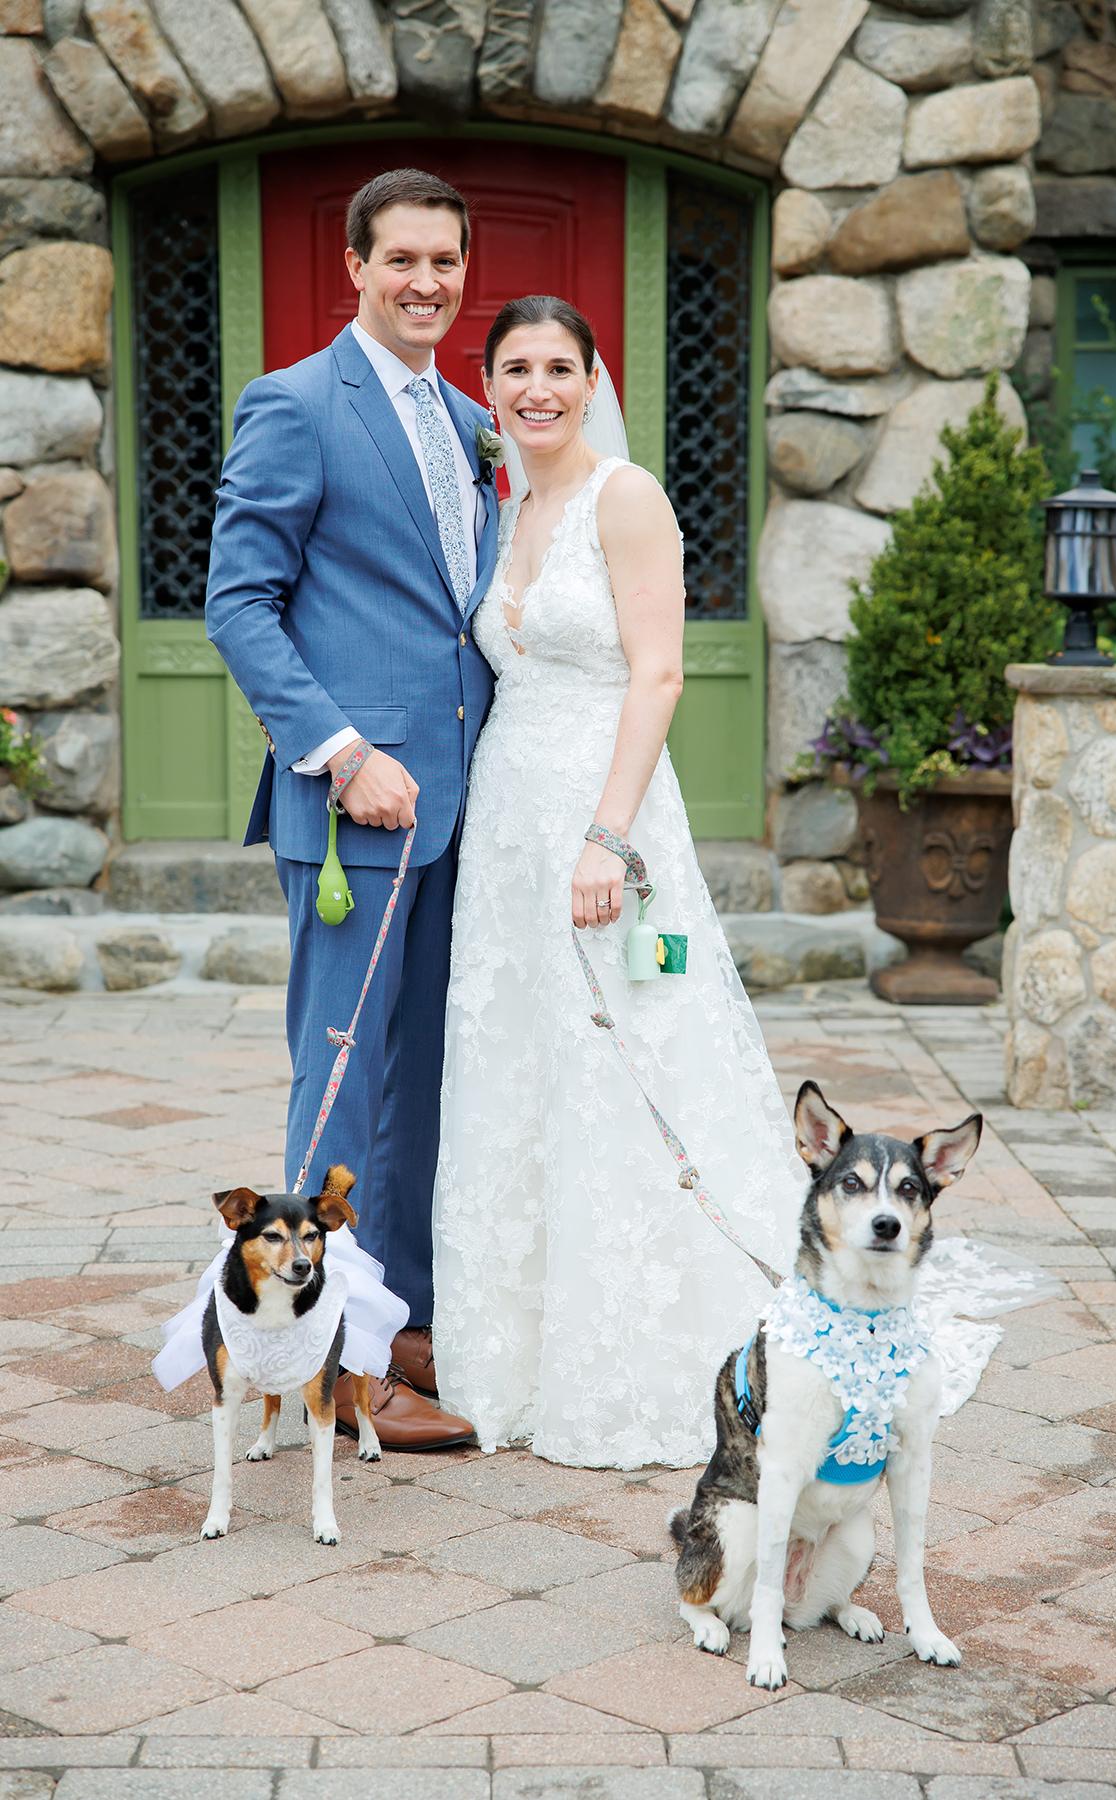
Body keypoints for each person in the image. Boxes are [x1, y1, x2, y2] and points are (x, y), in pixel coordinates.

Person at [431, 295, 806, 1469]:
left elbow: (659, 675)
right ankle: (514, 1352)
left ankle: (640, 1346)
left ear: (593, 381)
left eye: (558, 368)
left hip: (606, 813)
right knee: (522, 1062)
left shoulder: (623, 499)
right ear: (486, 386)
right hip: (507, 818)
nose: (536, 388)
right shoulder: (510, 505)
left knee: (624, 1052)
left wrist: (609, 838)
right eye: (514, 369)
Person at [204, 168, 496, 1451]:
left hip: (470, 811)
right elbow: (238, 603)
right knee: (341, 1083)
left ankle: (405, 1324)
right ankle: (322, 1354)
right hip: (355, 814)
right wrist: (337, 750)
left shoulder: (478, 418)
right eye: (403, 262)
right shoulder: (297, 406)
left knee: (430, 1078)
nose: (425, 283)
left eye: (446, 262)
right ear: (355, 268)